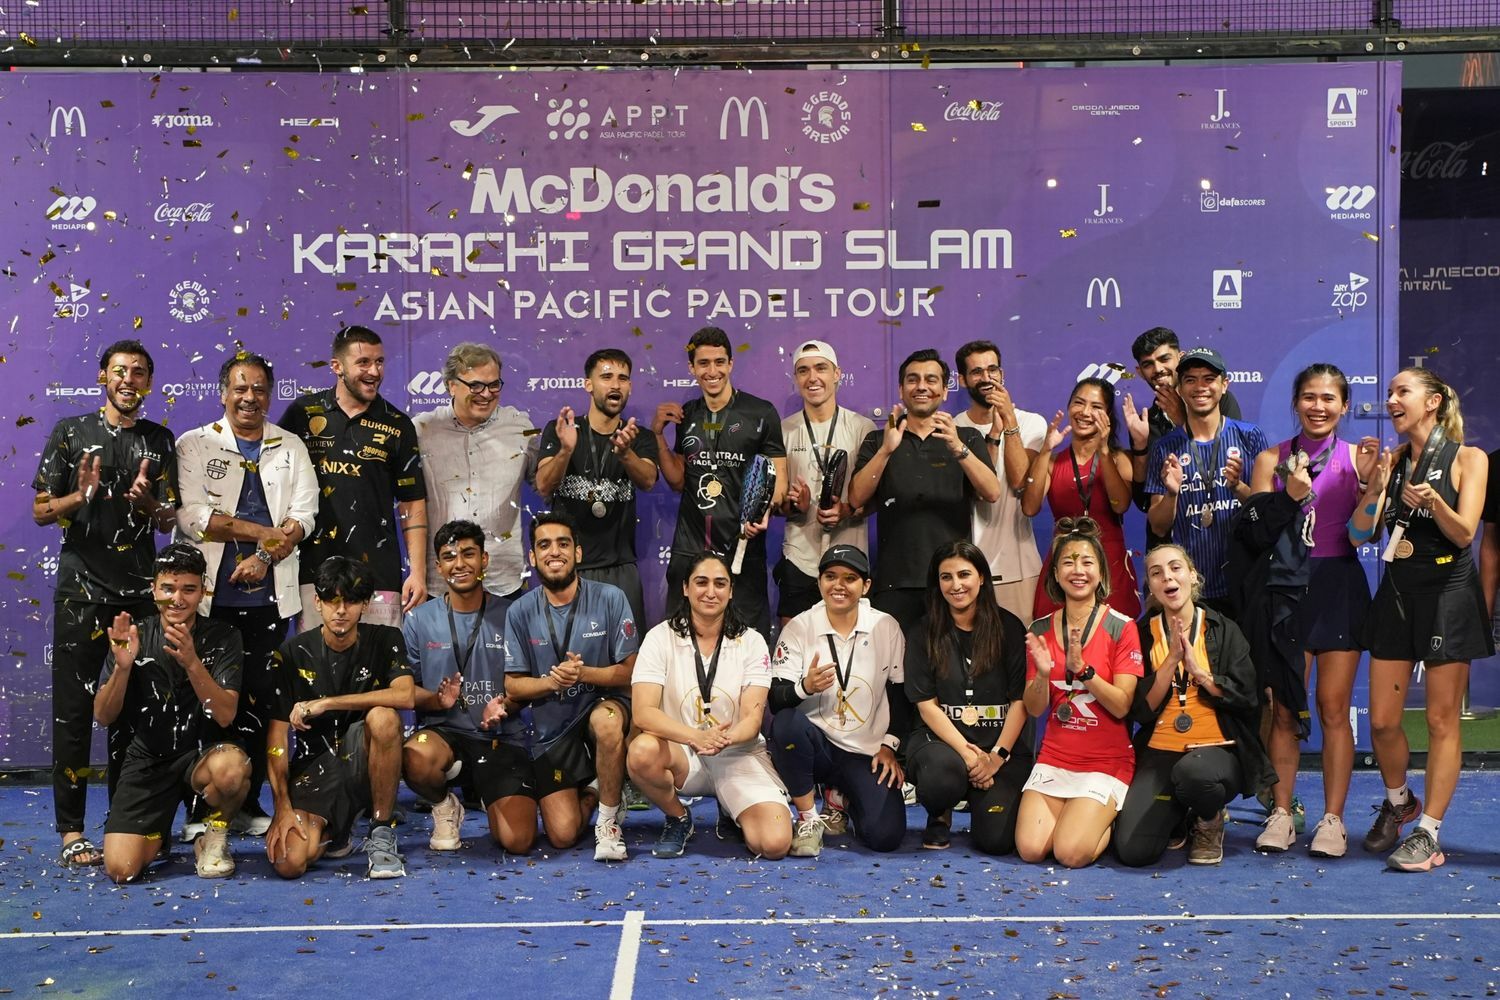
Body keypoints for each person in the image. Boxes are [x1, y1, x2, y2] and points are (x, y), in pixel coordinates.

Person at [32, 338, 178, 869]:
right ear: (102, 377)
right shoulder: (70, 432)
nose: (128, 380)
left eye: (138, 372)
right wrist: (80, 496)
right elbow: (41, 510)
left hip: (140, 596)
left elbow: (170, 518)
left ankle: (126, 820)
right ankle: (72, 832)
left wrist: (150, 503)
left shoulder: (160, 440)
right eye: (120, 371)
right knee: (73, 713)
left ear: (149, 383)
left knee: (135, 711)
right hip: (81, 593)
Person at [1349, 367, 1491, 872]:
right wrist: (1373, 487)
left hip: (1448, 594)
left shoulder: (1469, 459)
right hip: (1396, 594)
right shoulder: (1391, 462)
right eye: (1389, 392)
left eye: (1402, 392)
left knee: (1439, 720)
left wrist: (1434, 503)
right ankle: (1400, 801)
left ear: (1432, 402)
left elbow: (1465, 533)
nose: (1391, 400)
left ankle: (1428, 832)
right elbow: (1357, 536)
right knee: (1382, 722)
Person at [175, 351, 318, 833]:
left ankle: (249, 802)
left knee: (261, 700)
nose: (249, 398)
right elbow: (195, 518)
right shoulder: (195, 444)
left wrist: (266, 556)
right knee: (207, 700)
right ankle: (201, 807)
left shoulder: (291, 445)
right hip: (210, 601)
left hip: (270, 600)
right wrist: (263, 534)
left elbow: (305, 516)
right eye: (240, 388)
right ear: (223, 393)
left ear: (270, 395)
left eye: (259, 389)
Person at [1245, 364, 1376, 857]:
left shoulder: (1359, 459)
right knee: (1284, 710)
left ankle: (1333, 821)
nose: (1318, 407)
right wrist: (1288, 496)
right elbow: (1255, 533)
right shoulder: (1270, 460)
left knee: (1333, 709)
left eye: (1328, 398)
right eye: (1309, 397)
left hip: (1338, 588)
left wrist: (1372, 487)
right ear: (1296, 402)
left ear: (1344, 406)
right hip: (1284, 591)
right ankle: (1281, 813)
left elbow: (1367, 534)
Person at [93, 543, 249, 882]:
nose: (177, 599)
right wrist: (122, 668)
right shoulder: (133, 636)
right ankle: (157, 833)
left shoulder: (224, 636)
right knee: (121, 869)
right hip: (149, 759)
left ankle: (213, 837)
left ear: (203, 591)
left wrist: (192, 662)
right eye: (168, 589)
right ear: (154, 590)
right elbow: (103, 716)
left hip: (203, 755)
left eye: (188, 589)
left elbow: (225, 715)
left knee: (232, 770)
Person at [1114, 545, 1273, 867]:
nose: (1167, 577)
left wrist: (1201, 674)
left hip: (1217, 750)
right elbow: (1139, 711)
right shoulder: (1141, 634)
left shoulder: (1223, 628)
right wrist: (1170, 661)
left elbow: (1247, 698)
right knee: (1133, 851)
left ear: (1192, 576)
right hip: (1160, 749)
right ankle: (1179, 814)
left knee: (1194, 774)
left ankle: (1209, 818)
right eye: (1156, 573)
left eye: (1175, 568)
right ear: (1151, 586)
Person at [627, 552, 792, 860]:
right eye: (701, 582)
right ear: (685, 588)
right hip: (684, 754)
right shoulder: (659, 638)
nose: (710, 592)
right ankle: (678, 817)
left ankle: (731, 808)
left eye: (720, 583)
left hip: (736, 753)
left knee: (774, 845)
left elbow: (752, 719)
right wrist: (696, 737)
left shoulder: (752, 641)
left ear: (731, 591)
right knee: (641, 752)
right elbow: (643, 713)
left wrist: (723, 739)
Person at [495, 512, 639, 860]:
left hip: (603, 706)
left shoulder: (610, 597)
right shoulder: (520, 611)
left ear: (578, 553)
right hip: (554, 728)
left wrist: (583, 674)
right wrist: (551, 682)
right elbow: (513, 687)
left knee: (606, 722)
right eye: (544, 545)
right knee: (562, 835)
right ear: (533, 558)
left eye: (563, 543)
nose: (554, 552)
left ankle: (608, 823)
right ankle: (596, 790)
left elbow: (630, 672)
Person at [265, 556, 416, 880]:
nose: (341, 610)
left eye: (351, 601)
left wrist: (327, 703)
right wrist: (282, 807)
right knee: (289, 862)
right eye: (332, 601)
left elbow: (405, 695)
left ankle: (381, 829)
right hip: (315, 768)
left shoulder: (386, 638)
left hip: (363, 761)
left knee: (383, 718)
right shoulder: (291, 653)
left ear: (365, 604)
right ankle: (337, 829)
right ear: (317, 602)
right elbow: (277, 739)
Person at [280, 325, 427, 629]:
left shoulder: (398, 424)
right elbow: (275, 482)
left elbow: (412, 502)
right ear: (337, 366)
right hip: (312, 571)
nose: (374, 371)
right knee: (318, 658)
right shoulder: (302, 413)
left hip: (379, 575)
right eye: (363, 362)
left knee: (380, 658)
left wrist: (418, 572)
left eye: (380, 361)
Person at [1016, 518, 1143, 868]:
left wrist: (1084, 670)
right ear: (1056, 574)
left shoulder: (1122, 627)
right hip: (1056, 757)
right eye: (1068, 563)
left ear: (1100, 573)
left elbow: (1122, 706)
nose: (1078, 571)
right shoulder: (1040, 628)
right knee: (1030, 850)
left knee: (1069, 853)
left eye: (1087, 562)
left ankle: (1105, 819)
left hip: (1106, 762)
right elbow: (1035, 708)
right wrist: (1043, 675)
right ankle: (1082, 817)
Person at [768, 545, 908, 857]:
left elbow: (900, 695)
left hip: (865, 752)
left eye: (850, 578)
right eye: (830, 576)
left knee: (885, 836)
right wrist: (805, 687)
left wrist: (890, 745)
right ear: (819, 582)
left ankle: (841, 799)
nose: (839, 585)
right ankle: (808, 818)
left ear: (866, 586)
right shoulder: (800, 627)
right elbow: (775, 700)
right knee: (787, 724)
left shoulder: (885, 626)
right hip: (816, 746)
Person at [851, 349, 1002, 631]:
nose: (921, 386)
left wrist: (957, 447)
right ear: (901, 389)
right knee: (896, 660)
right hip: (895, 582)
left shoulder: (966, 437)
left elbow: (992, 492)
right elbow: (856, 498)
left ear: (944, 391)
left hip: (952, 583)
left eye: (931, 380)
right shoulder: (878, 439)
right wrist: (886, 450)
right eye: (913, 379)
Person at [652, 327, 787, 638]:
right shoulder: (687, 415)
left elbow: (778, 479)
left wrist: (763, 512)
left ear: (730, 364)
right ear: (692, 368)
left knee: (746, 643)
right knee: (682, 643)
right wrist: (658, 435)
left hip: (742, 548)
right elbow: (677, 481)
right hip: (690, 548)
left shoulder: (761, 413)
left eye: (719, 362)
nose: (712, 371)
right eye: (703, 363)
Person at [902, 540, 1033, 854]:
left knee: (997, 841)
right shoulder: (923, 632)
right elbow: (926, 706)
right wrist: (971, 757)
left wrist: (996, 757)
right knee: (941, 779)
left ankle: (979, 797)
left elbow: (1020, 701)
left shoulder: (1009, 627)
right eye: (946, 577)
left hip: (999, 747)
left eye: (964, 574)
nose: (956, 585)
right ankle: (941, 810)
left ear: (982, 577)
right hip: (942, 745)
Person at [400, 520, 514, 853]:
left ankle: (490, 791)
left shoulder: (512, 614)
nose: (459, 564)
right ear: (438, 566)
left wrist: (506, 704)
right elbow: (406, 691)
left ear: (484, 560)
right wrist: (436, 701)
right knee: (415, 757)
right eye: (449, 556)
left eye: (468, 554)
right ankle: (444, 805)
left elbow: (526, 684)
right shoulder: (418, 619)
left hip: (500, 737)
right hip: (443, 735)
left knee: (516, 840)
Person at [534, 348, 660, 627]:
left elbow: (648, 480)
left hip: (620, 569)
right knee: (569, 649)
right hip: (570, 568)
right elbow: (543, 486)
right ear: (588, 384)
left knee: (627, 652)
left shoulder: (639, 437)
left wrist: (626, 453)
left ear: (630, 386)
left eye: (622, 378)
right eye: (606, 377)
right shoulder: (562, 430)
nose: (615, 384)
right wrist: (566, 450)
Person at [1144, 347, 1270, 615]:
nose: (1200, 387)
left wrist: (1238, 487)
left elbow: (1267, 515)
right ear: (1180, 389)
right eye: (1190, 380)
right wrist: (1172, 494)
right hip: (1191, 589)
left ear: (1224, 385)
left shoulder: (1250, 437)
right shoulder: (1165, 448)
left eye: (1209, 379)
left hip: (1245, 584)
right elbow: (1158, 526)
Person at [414, 342, 534, 600]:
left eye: (494, 385)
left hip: (503, 579)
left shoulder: (520, 428)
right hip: (442, 582)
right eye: (476, 385)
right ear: (451, 386)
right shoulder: (422, 430)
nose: (486, 394)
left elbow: (545, 484)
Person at [1022, 376, 1140, 621]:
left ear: (1108, 415)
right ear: (1068, 407)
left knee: (1113, 638)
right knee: (1056, 639)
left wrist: (1104, 451)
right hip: (1064, 565)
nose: (1085, 412)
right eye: (1078, 403)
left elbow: (1120, 505)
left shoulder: (1119, 459)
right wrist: (1045, 450)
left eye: (1096, 407)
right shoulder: (1053, 462)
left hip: (1110, 566)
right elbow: (1030, 508)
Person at [774, 341, 875, 624]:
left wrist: (847, 510)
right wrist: (796, 505)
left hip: (849, 559)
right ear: (796, 378)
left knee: (848, 643)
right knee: (792, 643)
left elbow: (876, 498)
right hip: (799, 558)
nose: (812, 377)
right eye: (803, 371)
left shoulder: (862, 428)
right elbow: (777, 504)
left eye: (821, 368)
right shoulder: (783, 430)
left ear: (837, 373)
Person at [951, 340, 1048, 622]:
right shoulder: (953, 429)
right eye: (976, 372)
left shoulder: (1032, 423)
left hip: (1019, 566)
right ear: (962, 380)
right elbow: (976, 492)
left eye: (992, 370)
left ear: (1002, 374)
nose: (987, 378)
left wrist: (1008, 420)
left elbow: (1019, 481)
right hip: (965, 572)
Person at [1124, 327, 1243, 551]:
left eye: (1164, 359)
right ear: (1140, 372)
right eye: (1148, 364)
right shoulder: (1145, 422)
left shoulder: (1220, 401)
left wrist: (1182, 420)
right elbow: (1143, 501)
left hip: (1222, 535)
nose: (1158, 369)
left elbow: (1224, 465)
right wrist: (1140, 447)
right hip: (1170, 546)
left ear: (1180, 357)